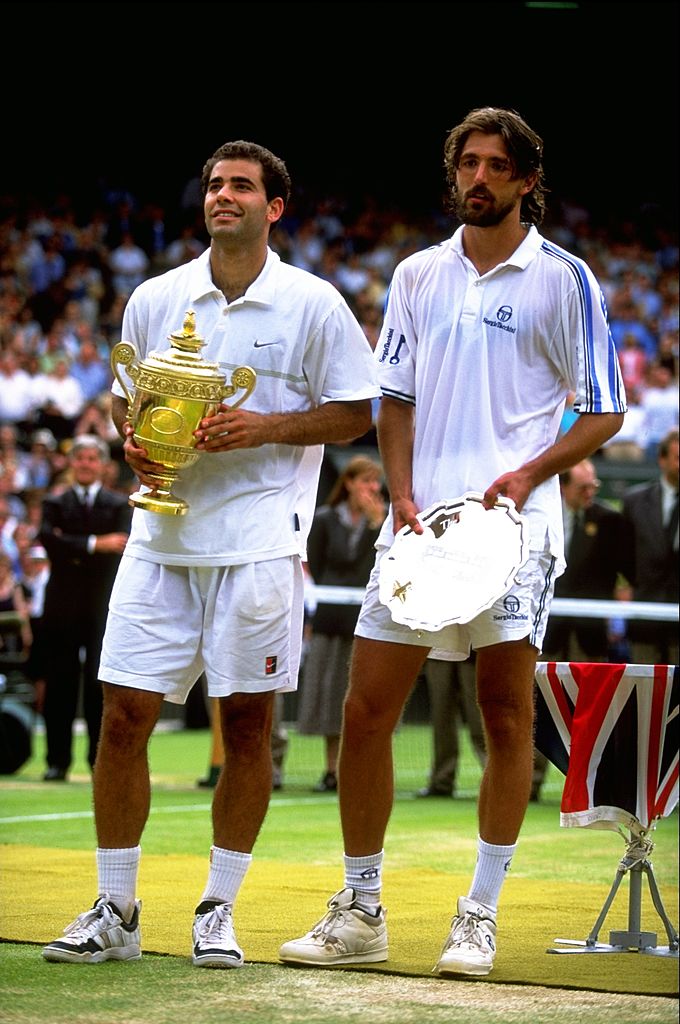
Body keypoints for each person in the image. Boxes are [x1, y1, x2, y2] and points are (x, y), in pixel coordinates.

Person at [279, 106, 626, 979]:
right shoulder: (417, 275)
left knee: (505, 715)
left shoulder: (565, 279)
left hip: (512, 534)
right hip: (418, 530)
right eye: (466, 163)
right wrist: (399, 490)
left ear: (525, 180)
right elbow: (393, 396)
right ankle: (362, 911)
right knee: (365, 714)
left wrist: (530, 474)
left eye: (495, 165)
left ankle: (478, 914)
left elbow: (605, 407)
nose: (477, 177)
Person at [42, 140, 380, 967]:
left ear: (275, 207)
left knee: (247, 724)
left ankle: (218, 909)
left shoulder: (314, 303)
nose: (223, 196)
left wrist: (263, 426)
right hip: (160, 538)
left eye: (242, 186)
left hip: (261, 544)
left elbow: (357, 413)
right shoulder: (157, 298)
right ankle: (115, 909)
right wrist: (133, 444)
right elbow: (134, 405)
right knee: (121, 718)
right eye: (214, 185)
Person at [532, 457, 632, 801]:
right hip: (546, 631)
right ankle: (528, 783)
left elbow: (626, 572)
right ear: (562, 487)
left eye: (595, 487)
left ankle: (589, 787)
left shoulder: (609, 521)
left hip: (589, 635)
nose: (590, 493)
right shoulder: (541, 517)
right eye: (583, 487)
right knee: (537, 708)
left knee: (591, 712)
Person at [38, 435, 132, 781]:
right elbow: (50, 541)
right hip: (61, 608)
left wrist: (74, 544)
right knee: (59, 686)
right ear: (72, 463)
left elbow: (120, 543)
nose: (87, 464)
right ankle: (56, 761)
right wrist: (96, 543)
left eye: (93, 458)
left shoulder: (118, 505)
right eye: (81, 458)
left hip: (101, 608)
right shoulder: (54, 503)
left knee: (99, 686)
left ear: (103, 465)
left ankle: (98, 762)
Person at [296, 454, 386, 792]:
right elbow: (318, 566)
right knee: (331, 697)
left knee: (368, 700)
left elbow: (378, 565)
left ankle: (363, 771)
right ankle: (331, 770)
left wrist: (376, 526)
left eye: (375, 482)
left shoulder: (384, 521)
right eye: (365, 480)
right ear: (348, 483)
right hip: (331, 621)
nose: (372, 488)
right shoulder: (324, 519)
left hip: (368, 621)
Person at [621, 427, 679, 665]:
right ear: (661, 459)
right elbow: (623, 555)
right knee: (643, 691)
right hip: (644, 615)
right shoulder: (633, 501)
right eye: (678, 458)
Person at [416, 654, 486, 798]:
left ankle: (494, 781)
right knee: (441, 719)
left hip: (474, 653)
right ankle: (441, 781)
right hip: (438, 652)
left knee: (480, 720)